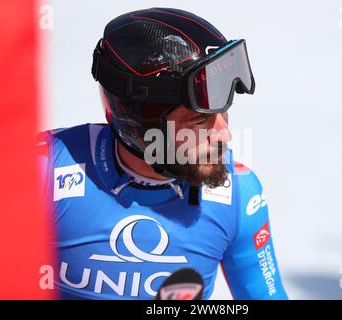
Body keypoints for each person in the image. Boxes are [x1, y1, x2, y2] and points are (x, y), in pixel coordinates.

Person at [38, 7, 288, 300]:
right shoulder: (43, 171)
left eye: (223, 114)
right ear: (139, 124)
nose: (224, 135)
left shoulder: (239, 196)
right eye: (198, 121)